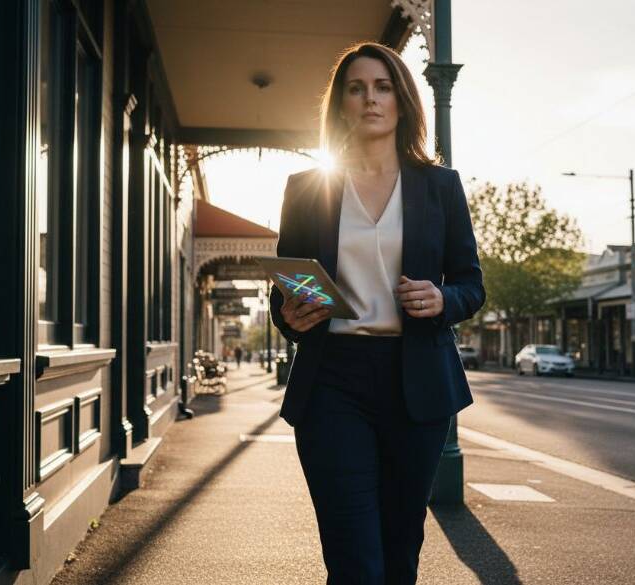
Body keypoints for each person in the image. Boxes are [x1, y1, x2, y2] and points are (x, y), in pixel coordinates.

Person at [269, 42, 484, 585]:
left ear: (402, 100)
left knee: (398, 552)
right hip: (332, 383)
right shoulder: (307, 189)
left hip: (416, 385)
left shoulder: (441, 187)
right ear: (340, 104)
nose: (370, 99)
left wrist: (442, 301)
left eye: (383, 87)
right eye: (357, 88)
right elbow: (287, 288)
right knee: (353, 559)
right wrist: (289, 316)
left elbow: (470, 284)